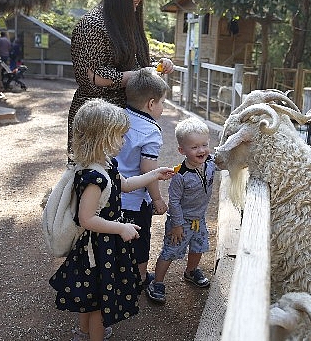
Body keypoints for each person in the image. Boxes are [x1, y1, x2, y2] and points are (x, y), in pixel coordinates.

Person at [49, 98, 175, 341]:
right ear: (102, 138)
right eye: (118, 136)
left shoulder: (106, 165)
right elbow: (86, 219)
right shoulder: (94, 178)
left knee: (92, 296)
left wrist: (153, 175)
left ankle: (83, 333)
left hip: (106, 244)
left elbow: (125, 185)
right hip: (98, 248)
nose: (123, 141)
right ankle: (92, 334)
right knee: (99, 305)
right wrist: (121, 228)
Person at [67, 0, 175, 157]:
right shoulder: (91, 25)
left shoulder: (128, 22)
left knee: (123, 183)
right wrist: (139, 75)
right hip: (96, 121)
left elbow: (135, 65)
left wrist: (157, 67)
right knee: (93, 180)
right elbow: (91, 76)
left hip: (126, 118)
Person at [146, 117, 216, 303]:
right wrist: (176, 224)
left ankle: (191, 271)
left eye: (204, 145)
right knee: (170, 250)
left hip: (199, 219)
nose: (201, 150)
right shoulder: (180, 176)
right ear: (182, 150)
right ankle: (157, 282)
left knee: (198, 247)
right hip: (181, 221)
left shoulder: (210, 163)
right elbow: (174, 202)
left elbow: (226, 159)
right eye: (194, 147)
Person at [116, 68, 169, 289]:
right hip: (135, 200)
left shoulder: (117, 117)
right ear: (151, 104)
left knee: (115, 236)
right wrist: (156, 199)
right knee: (140, 239)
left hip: (112, 193)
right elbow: (149, 168)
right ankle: (138, 277)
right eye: (163, 103)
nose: (163, 108)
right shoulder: (150, 131)